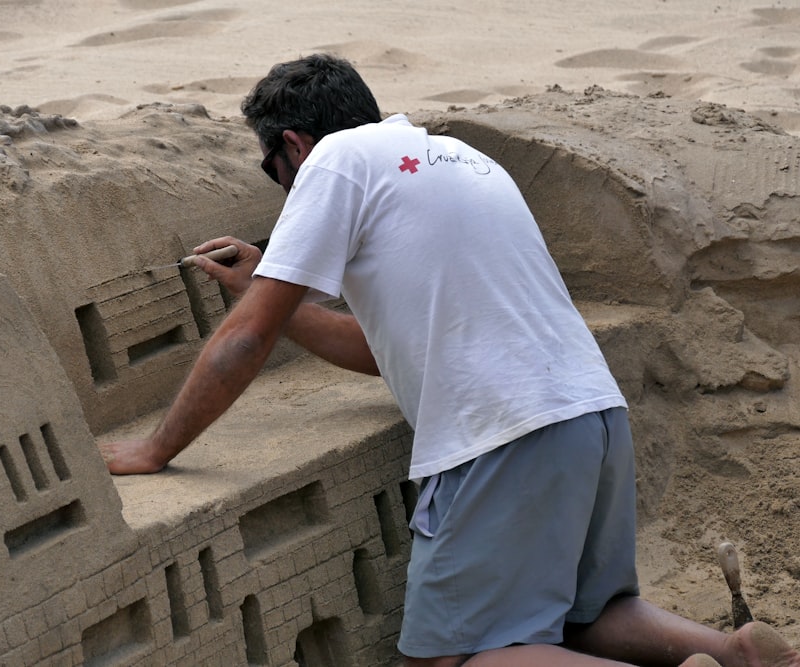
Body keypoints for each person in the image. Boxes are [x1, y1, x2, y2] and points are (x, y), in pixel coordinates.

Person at [99, 54, 799, 667]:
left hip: (500, 430)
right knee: (590, 615)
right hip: (590, 413)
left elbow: (246, 340)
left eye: (273, 171)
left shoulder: (335, 161)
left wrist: (158, 447)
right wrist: (262, 287)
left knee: (444, 660)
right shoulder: (457, 157)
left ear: (294, 144)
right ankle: (733, 651)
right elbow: (385, 352)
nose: (282, 186)